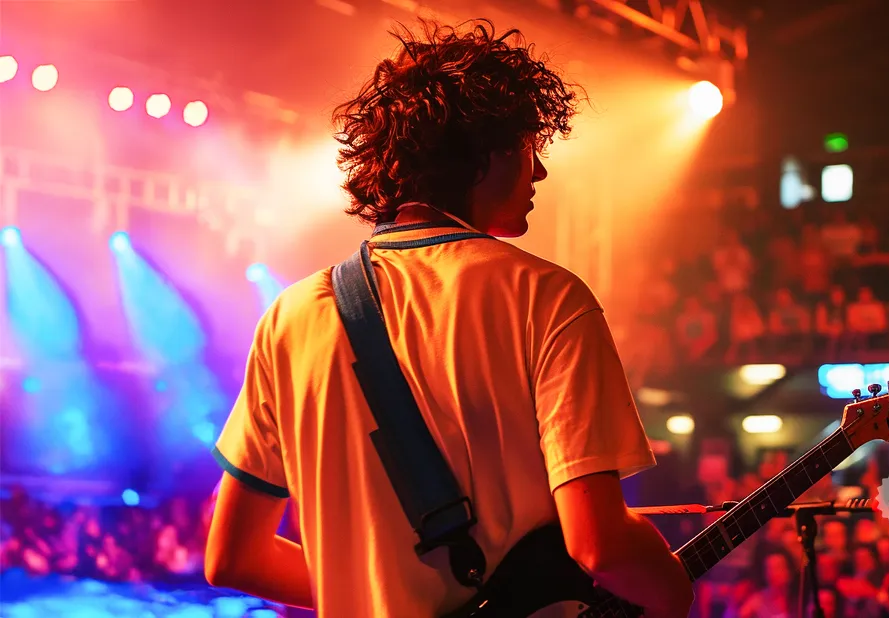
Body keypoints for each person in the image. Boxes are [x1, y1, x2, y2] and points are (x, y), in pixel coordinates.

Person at [204, 18, 694, 618]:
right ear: (483, 155)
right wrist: (673, 589)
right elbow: (601, 547)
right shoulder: (547, 296)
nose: (538, 172)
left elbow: (231, 556)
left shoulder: (289, 315)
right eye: (527, 146)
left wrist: (369, 591)